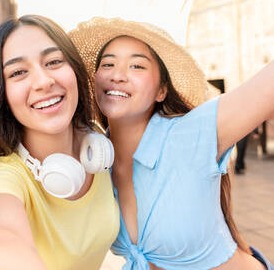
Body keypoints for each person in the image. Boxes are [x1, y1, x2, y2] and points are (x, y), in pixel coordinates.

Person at [69, 17, 274, 270]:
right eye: (108, 64)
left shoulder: (192, 132)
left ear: (161, 91)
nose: (118, 75)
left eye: (137, 66)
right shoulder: (97, 160)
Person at [0, 14, 120, 270]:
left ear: (75, 71)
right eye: (18, 72)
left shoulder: (98, 149)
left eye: (54, 61)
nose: (44, 82)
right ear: (2, 94)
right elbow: (0, 235)